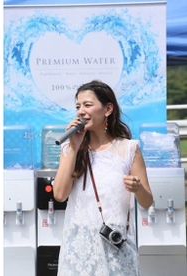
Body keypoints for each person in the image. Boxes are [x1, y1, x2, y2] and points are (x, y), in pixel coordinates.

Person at [53, 80, 153, 275]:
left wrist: (138, 188)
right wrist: (73, 147)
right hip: (79, 246)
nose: (81, 111)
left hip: (115, 244)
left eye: (88, 105)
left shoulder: (129, 149)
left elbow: (147, 201)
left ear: (107, 109)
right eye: (78, 106)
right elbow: (59, 194)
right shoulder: (70, 149)